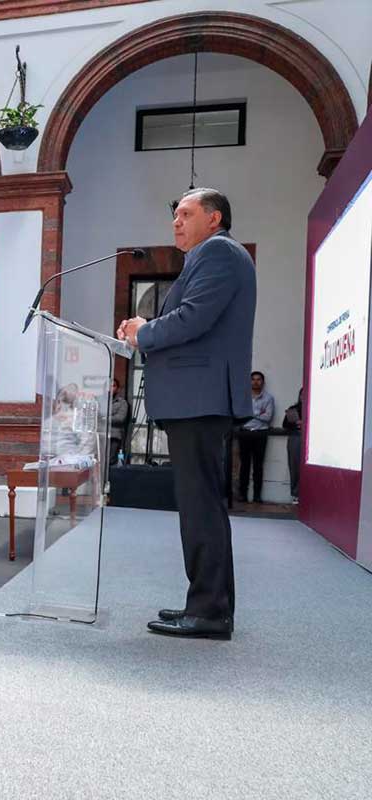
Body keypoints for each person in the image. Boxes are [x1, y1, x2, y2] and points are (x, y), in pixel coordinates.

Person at [117, 188, 254, 640]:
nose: (176, 222)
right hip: (197, 399)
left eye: (185, 213)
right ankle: (208, 604)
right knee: (201, 506)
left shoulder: (218, 252)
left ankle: (209, 612)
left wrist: (144, 331)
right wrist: (143, 332)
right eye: (175, 215)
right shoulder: (210, 255)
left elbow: (193, 318)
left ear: (214, 219)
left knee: (201, 508)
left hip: (200, 399)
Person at [236, 371, 275, 504]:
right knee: (244, 465)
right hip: (245, 433)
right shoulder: (243, 397)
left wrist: (251, 414)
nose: (255, 382)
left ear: (263, 382)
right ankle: (243, 495)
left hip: (260, 433)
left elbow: (268, 417)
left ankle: (257, 496)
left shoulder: (268, 398)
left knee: (258, 466)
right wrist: (259, 413)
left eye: (258, 379)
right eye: (253, 379)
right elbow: (239, 415)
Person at [283, 388, 303, 503]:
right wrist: (296, 423)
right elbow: (285, 424)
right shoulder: (294, 409)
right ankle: (296, 494)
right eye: (302, 395)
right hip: (296, 437)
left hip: (311, 439)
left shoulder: (316, 408)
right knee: (294, 465)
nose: (303, 397)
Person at [108, 378, 130, 466]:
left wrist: (105, 418)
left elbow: (120, 418)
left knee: (111, 460)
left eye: (113, 386)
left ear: (117, 388)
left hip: (114, 435)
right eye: (108, 386)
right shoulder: (100, 401)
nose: (110, 388)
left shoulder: (122, 403)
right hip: (100, 435)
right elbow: (96, 416)